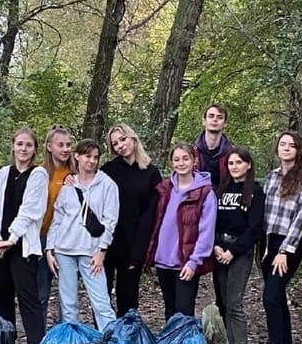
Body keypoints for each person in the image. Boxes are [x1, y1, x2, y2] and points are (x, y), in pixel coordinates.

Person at [0, 127, 49, 344]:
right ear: (13, 146)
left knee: (29, 301)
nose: (23, 149)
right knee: (2, 301)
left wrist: (11, 238)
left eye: (28, 145)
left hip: (22, 246)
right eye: (20, 144)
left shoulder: (38, 174)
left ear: (34, 150)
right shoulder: (2, 173)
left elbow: (31, 210)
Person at [46, 139, 120, 330]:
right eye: (88, 156)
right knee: (68, 305)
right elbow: (58, 218)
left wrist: (102, 250)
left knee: (101, 304)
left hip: (91, 251)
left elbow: (110, 221)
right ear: (77, 156)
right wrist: (49, 249)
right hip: (64, 250)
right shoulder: (68, 184)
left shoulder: (107, 185)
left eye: (95, 157)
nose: (91, 161)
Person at [261, 131, 302, 344]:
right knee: (278, 295)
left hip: (288, 245)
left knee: (270, 296)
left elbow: (301, 217)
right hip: (267, 243)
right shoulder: (272, 176)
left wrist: (285, 250)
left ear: (298, 150)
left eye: (291, 145)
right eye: (282, 144)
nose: (286, 149)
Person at [147, 142, 217, 319]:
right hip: (163, 259)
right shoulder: (164, 189)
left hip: (186, 261)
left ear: (194, 161)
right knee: (170, 308)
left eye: (185, 158)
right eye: (176, 159)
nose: (181, 163)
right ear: (172, 163)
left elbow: (206, 231)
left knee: (184, 309)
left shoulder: (205, 193)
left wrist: (194, 261)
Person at [212, 146, 265, 344]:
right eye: (231, 163)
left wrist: (233, 251)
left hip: (239, 253)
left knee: (235, 302)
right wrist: (215, 246)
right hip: (218, 249)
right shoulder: (221, 190)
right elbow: (211, 221)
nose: (234, 167)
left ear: (248, 165)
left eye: (239, 162)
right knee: (222, 301)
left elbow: (255, 228)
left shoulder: (255, 192)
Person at [102, 123, 162, 315]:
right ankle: (104, 338)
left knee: (128, 298)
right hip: (108, 242)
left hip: (134, 243)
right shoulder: (108, 171)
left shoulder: (151, 173)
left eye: (123, 139)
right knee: (102, 296)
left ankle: (127, 339)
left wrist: (140, 250)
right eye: (115, 143)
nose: (120, 145)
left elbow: (151, 214)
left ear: (133, 138)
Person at [38, 125, 75, 312]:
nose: (65, 149)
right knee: (41, 291)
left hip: (66, 239)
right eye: (60, 145)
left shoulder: (76, 174)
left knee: (66, 293)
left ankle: (65, 334)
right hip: (41, 237)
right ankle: (40, 336)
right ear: (49, 147)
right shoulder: (40, 172)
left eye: (68, 145)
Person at [194, 103, 232, 183]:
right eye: (211, 116)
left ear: (225, 124)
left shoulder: (232, 154)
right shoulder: (192, 153)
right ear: (204, 121)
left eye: (220, 117)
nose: (215, 119)